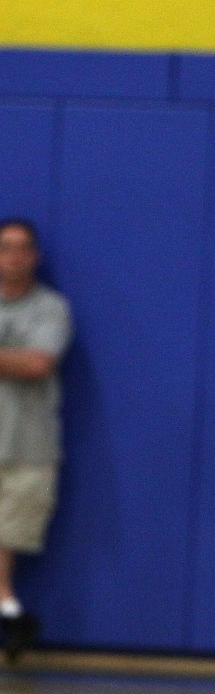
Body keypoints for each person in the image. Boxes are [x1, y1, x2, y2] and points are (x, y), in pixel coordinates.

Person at [0, 218, 73, 662]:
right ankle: (10, 611)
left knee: (9, 534)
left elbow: (37, 364)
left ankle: (10, 611)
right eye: (5, 247)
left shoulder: (50, 308)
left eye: (21, 247)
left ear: (35, 256)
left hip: (27, 445)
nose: (13, 256)